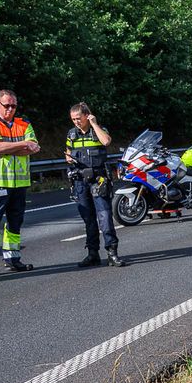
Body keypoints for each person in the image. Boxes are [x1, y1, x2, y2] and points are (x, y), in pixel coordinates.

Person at [0, 89, 39, 278]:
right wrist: (22, 145)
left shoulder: (24, 124)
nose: (10, 109)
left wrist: (6, 149)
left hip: (19, 184)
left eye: (13, 106)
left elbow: (34, 147)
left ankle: (13, 259)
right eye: (6, 106)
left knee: (15, 222)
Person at [65, 102, 124, 267]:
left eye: (78, 118)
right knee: (88, 219)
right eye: (73, 119)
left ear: (86, 116)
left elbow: (106, 142)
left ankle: (112, 253)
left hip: (98, 180)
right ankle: (93, 254)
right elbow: (68, 153)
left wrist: (94, 123)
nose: (76, 122)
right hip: (80, 181)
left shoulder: (98, 130)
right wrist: (68, 158)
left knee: (104, 216)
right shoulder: (71, 134)